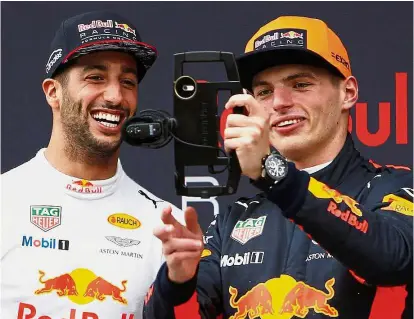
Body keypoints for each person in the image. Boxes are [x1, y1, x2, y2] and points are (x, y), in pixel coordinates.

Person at [143, 16, 413, 319]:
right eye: (263, 92)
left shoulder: (393, 188)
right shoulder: (232, 221)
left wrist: (272, 172)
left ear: (347, 93)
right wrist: (178, 282)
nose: (280, 102)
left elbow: (393, 259)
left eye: (300, 84)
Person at [0, 10, 184, 319]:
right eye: (95, 77)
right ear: (53, 93)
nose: (115, 96)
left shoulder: (168, 226)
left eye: (127, 81)